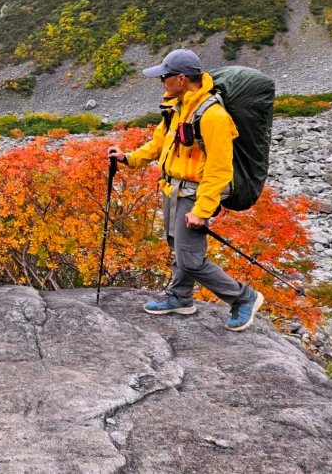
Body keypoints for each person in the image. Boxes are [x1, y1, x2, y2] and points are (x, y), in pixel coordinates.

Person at [107, 49, 264, 331]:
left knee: (190, 259)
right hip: (172, 189)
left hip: (193, 194)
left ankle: (243, 297)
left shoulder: (212, 116)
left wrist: (202, 210)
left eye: (164, 77)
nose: (161, 81)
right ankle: (181, 296)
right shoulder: (177, 108)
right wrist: (128, 158)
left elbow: (219, 168)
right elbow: (159, 144)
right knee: (177, 247)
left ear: (181, 78)